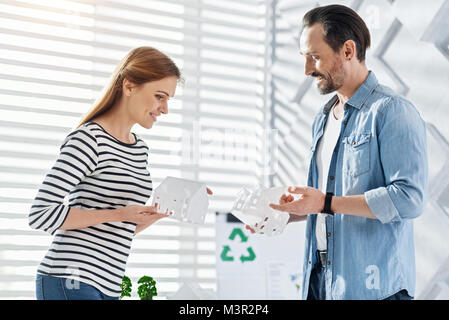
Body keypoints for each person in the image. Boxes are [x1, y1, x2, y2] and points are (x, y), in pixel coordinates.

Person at [250, 5, 428, 300]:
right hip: (321, 282)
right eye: (304, 57)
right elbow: (328, 204)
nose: (307, 69)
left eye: (315, 56)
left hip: (376, 290)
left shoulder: (391, 112)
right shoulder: (322, 118)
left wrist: (327, 202)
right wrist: (288, 213)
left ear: (348, 50)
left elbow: (410, 200)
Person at [29, 46, 212, 300]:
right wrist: (121, 214)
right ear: (129, 86)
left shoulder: (139, 149)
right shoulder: (89, 139)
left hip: (108, 286)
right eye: (160, 96)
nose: (165, 109)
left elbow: (115, 228)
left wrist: (154, 214)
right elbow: (41, 214)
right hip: (70, 278)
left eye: (169, 99)